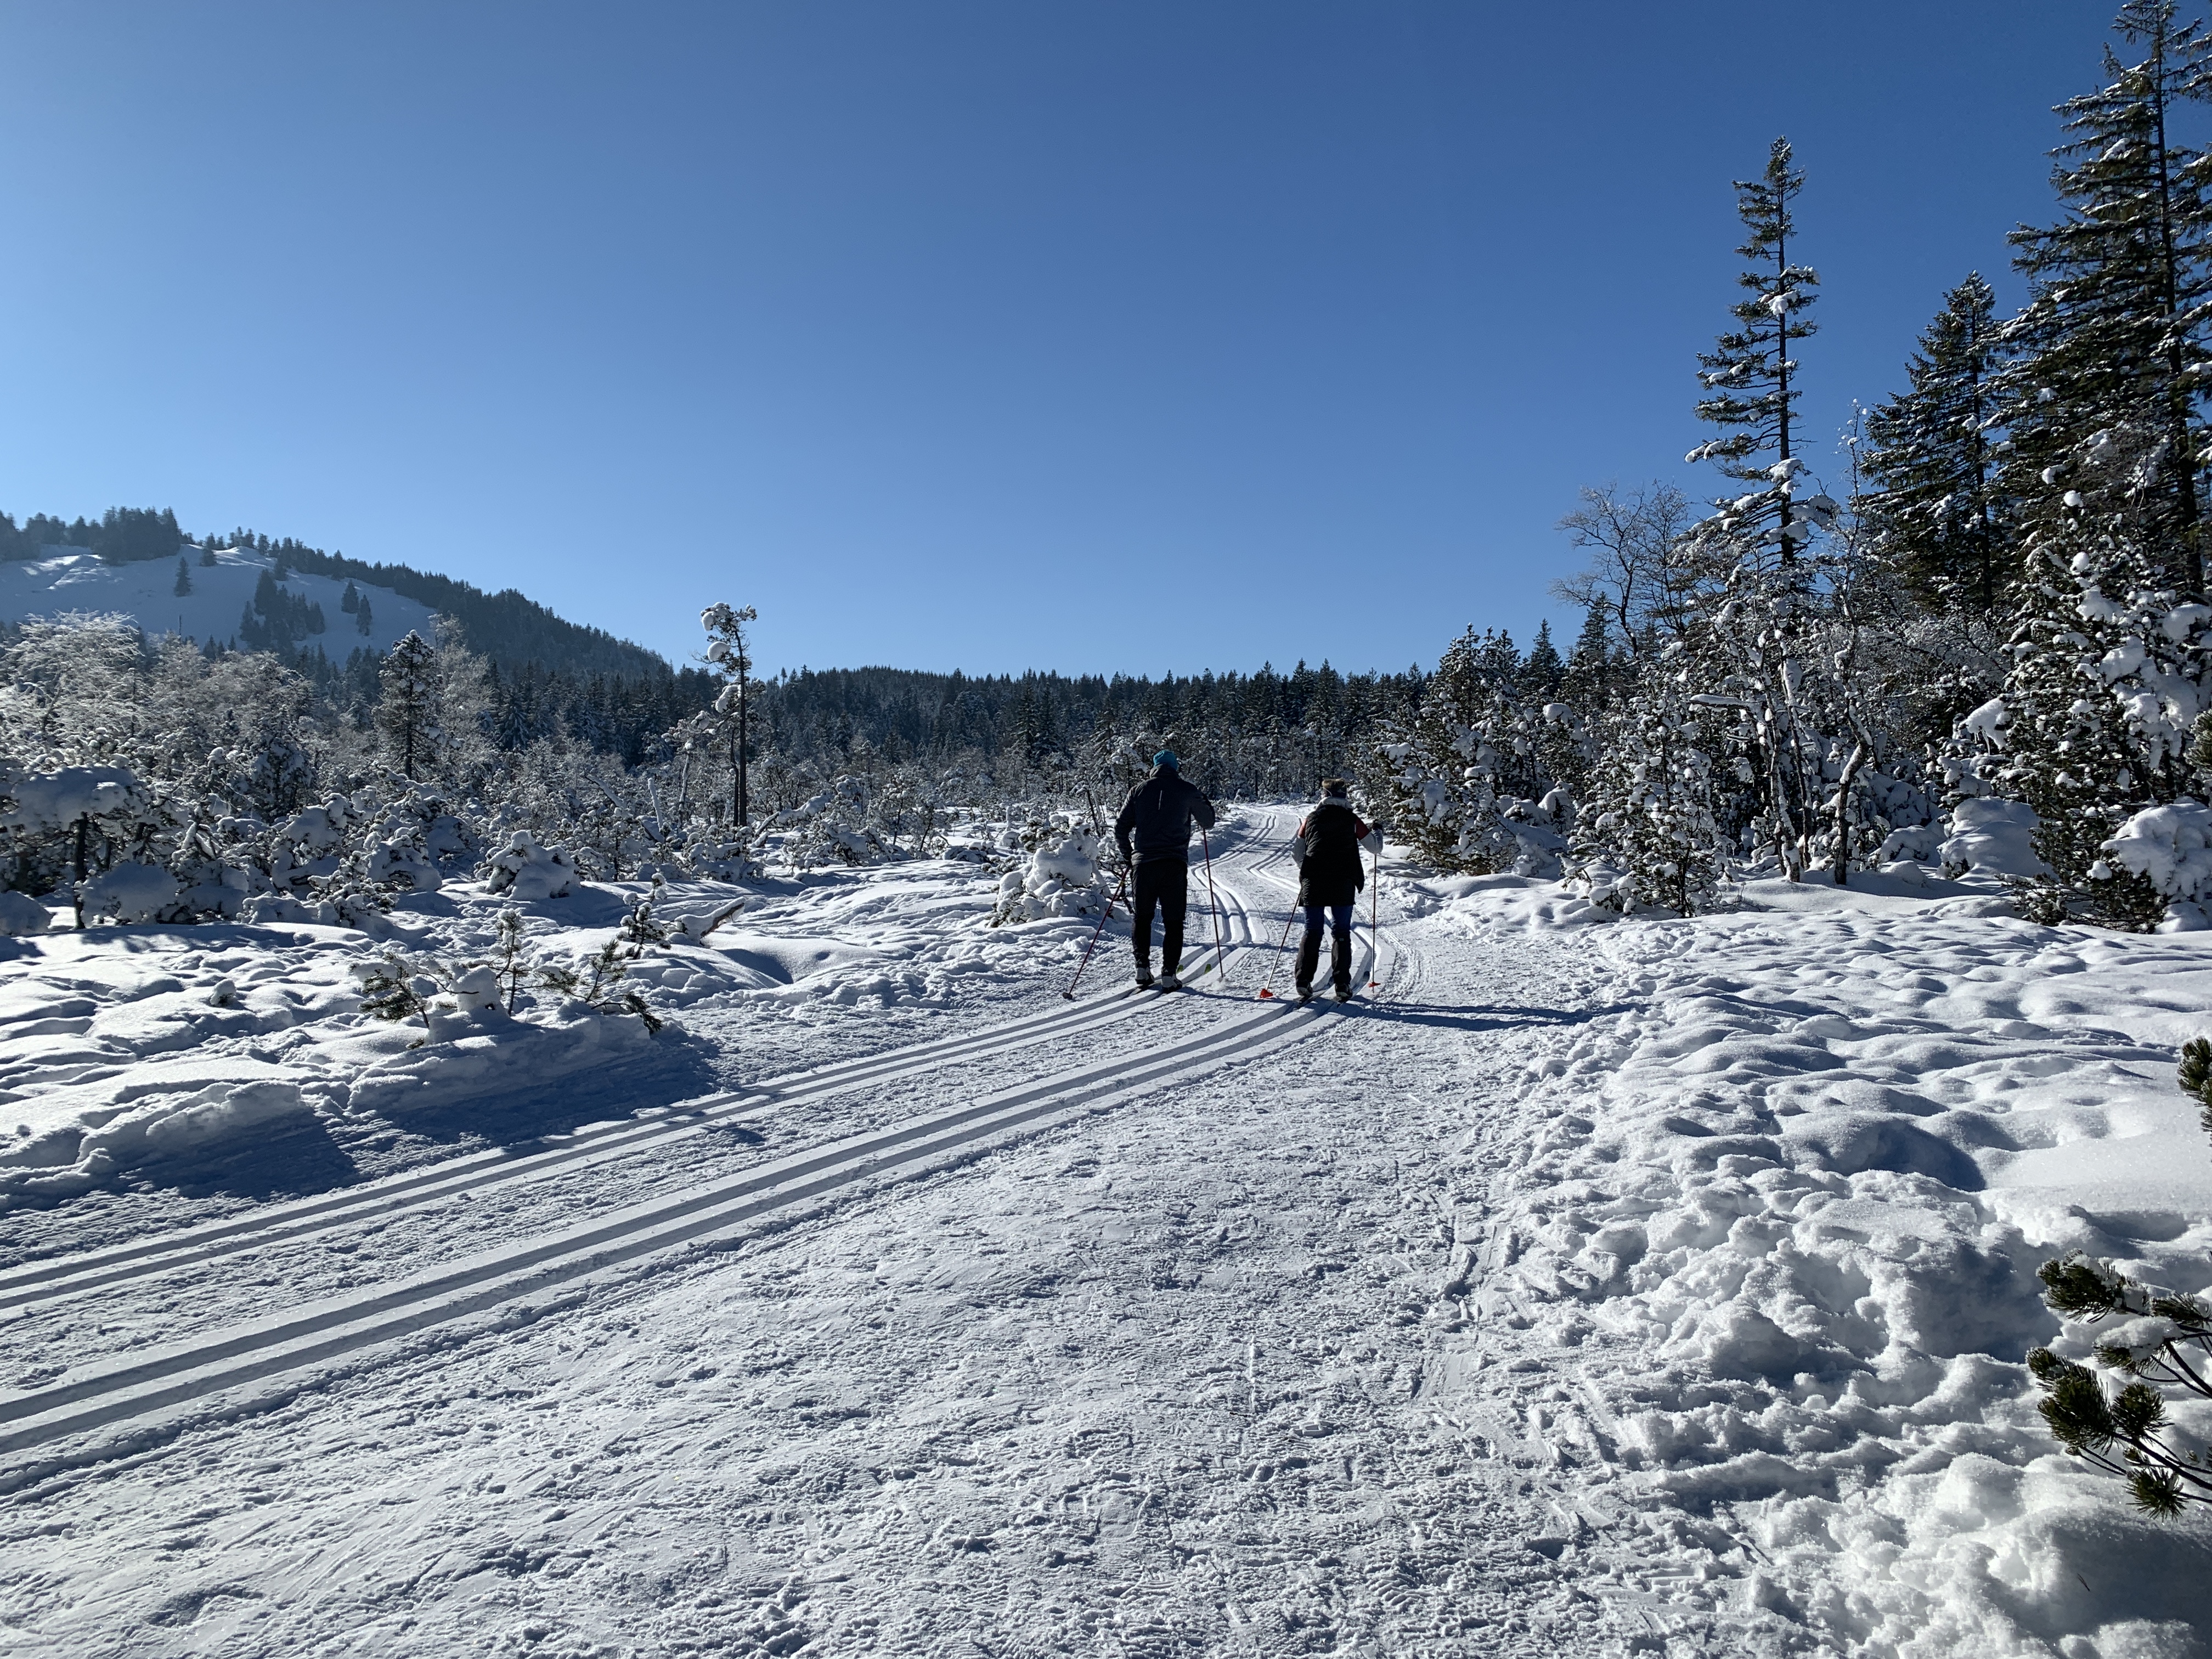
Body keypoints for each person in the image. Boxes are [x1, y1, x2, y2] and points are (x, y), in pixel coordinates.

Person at [1112, 749, 1217, 990]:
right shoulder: (1187, 789)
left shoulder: (1138, 790)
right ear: (1175, 767)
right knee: (1174, 920)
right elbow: (1208, 821)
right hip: (1173, 862)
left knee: (1142, 917)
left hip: (1143, 863)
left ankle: (1142, 968)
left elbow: (1121, 827)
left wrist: (1130, 856)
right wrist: (1203, 801)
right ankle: (1169, 973)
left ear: (1154, 767)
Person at [1292, 779, 1378, 1002]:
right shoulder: (1352, 820)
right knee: (1341, 932)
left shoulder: (1310, 819)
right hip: (1343, 880)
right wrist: (1378, 832)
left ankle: (1303, 981)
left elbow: (1297, 853)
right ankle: (1342, 984)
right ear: (1344, 795)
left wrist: (1309, 866)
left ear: (1324, 794)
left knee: (1312, 930)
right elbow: (1374, 847)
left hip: (1314, 879)